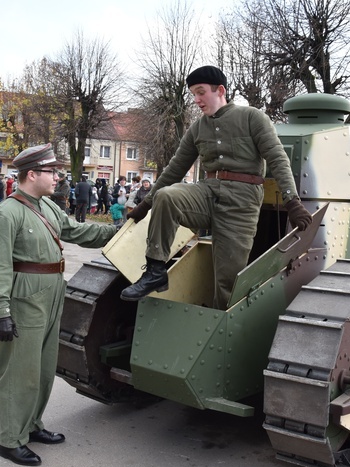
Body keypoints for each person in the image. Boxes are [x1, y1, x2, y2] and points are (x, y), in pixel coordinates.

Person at [120, 65, 312, 309]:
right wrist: (146, 205)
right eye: (193, 95)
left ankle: (222, 329)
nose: (197, 100)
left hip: (241, 204)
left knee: (228, 282)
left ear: (220, 90)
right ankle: (156, 270)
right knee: (168, 197)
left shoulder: (252, 117)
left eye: (201, 92)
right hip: (207, 193)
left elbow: (277, 158)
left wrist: (292, 201)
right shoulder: (197, 128)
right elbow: (175, 169)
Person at [0, 143, 116, 467]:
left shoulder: (48, 207)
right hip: (25, 296)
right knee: (19, 372)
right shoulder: (6, 213)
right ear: (32, 174)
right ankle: (11, 440)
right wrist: (1, 312)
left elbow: (78, 231)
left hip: (54, 292)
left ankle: (32, 424)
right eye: (51, 172)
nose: (57, 177)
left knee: (43, 369)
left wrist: (118, 231)